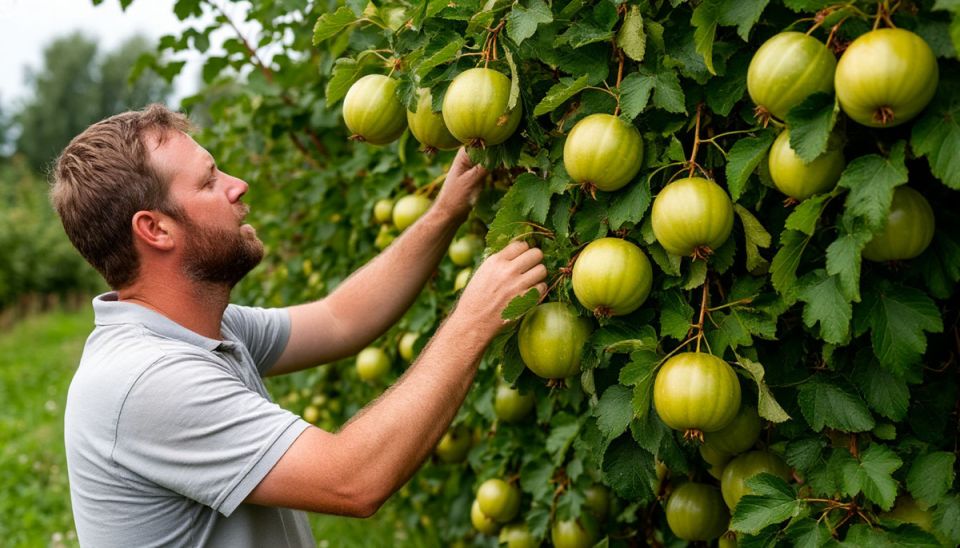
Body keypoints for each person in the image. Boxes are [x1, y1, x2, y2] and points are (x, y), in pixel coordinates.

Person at [53, 104, 547, 547]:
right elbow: (355, 479)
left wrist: (445, 212)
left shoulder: (202, 329)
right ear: (155, 229)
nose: (236, 184)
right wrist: (473, 319)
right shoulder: (148, 381)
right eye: (208, 182)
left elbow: (340, 319)